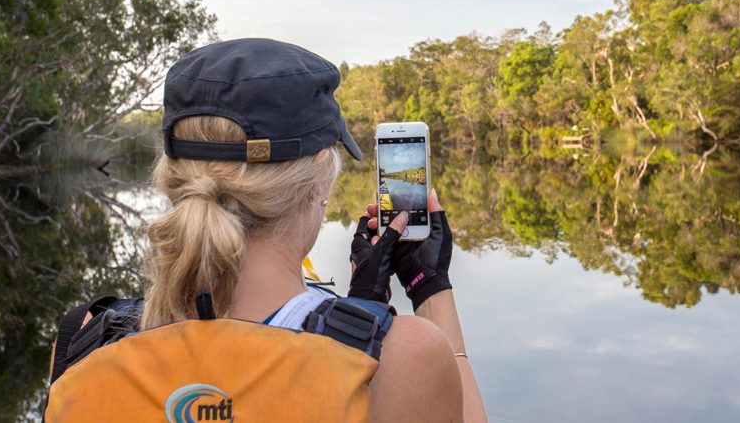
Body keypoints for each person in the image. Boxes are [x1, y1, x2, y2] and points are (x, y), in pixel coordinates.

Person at [45, 38, 488, 422]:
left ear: (174, 178)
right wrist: (429, 287)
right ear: (319, 178)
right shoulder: (402, 359)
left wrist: (362, 307)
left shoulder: (86, 338)